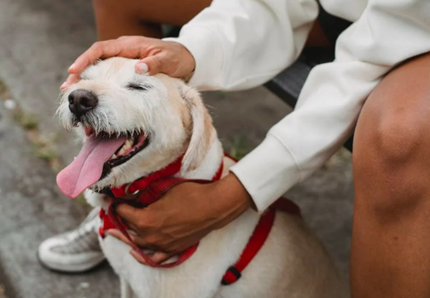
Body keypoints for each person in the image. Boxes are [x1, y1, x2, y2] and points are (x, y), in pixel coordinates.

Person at [37, 0, 430, 297]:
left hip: (415, 28)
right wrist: (189, 51)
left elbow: (387, 40)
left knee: (398, 134)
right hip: (340, 9)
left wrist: (237, 192)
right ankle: (123, 197)